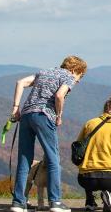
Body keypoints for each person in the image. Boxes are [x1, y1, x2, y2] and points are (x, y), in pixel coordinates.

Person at [9, 55, 88, 212]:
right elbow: (59, 95)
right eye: (80, 76)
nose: (78, 80)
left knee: (24, 159)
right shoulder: (68, 76)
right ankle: (55, 202)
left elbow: (20, 82)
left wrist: (15, 108)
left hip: (26, 116)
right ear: (74, 70)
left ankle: (18, 203)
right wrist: (59, 115)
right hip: (44, 116)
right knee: (53, 158)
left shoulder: (45, 72)